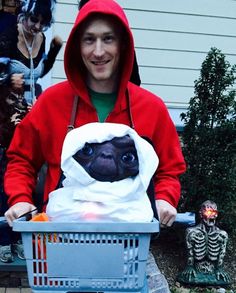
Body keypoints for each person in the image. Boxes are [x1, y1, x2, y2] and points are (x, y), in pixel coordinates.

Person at [4, 0, 185, 290]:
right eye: (89, 39)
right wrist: (19, 199)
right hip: (62, 246)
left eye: (108, 39)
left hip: (130, 248)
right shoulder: (52, 103)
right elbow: (21, 160)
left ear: (124, 45)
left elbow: (169, 170)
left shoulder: (151, 108)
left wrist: (164, 198)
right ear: (78, 46)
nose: (98, 51)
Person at [0, 0, 62, 262]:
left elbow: (39, 71)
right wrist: (5, 80)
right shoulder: (6, 31)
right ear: (24, 14)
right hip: (5, 114)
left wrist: (56, 50)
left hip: (28, 114)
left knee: (29, 179)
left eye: (42, 23)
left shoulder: (41, 39)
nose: (36, 27)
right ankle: (3, 239)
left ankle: (22, 236)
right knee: (5, 177)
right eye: (33, 20)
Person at [78, 0, 141, 86]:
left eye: (108, 38)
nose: (98, 53)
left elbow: (135, 82)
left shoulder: (125, 49)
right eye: (89, 39)